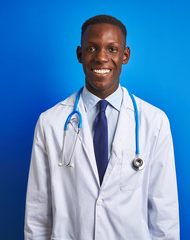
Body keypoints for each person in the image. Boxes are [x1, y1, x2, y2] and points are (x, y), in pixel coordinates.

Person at [24, 15, 179, 240]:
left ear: (125, 55)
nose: (101, 58)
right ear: (79, 54)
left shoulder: (154, 122)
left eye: (112, 49)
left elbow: (164, 215)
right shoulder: (51, 122)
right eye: (92, 49)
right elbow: (37, 213)